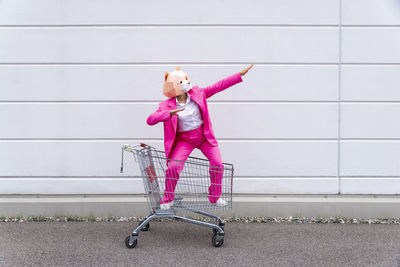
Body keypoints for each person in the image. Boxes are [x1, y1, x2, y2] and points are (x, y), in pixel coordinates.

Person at [146, 65, 254, 210]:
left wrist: (238, 75)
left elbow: (218, 86)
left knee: (218, 164)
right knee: (173, 167)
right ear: (173, 87)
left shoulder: (198, 93)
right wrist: (169, 114)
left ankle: (215, 197)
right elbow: (150, 119)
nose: (186, 82)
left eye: (185, 79)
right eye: (181, 81)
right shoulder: (167, 105)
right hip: (185, 140)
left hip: (204, 136)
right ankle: (168, 198)